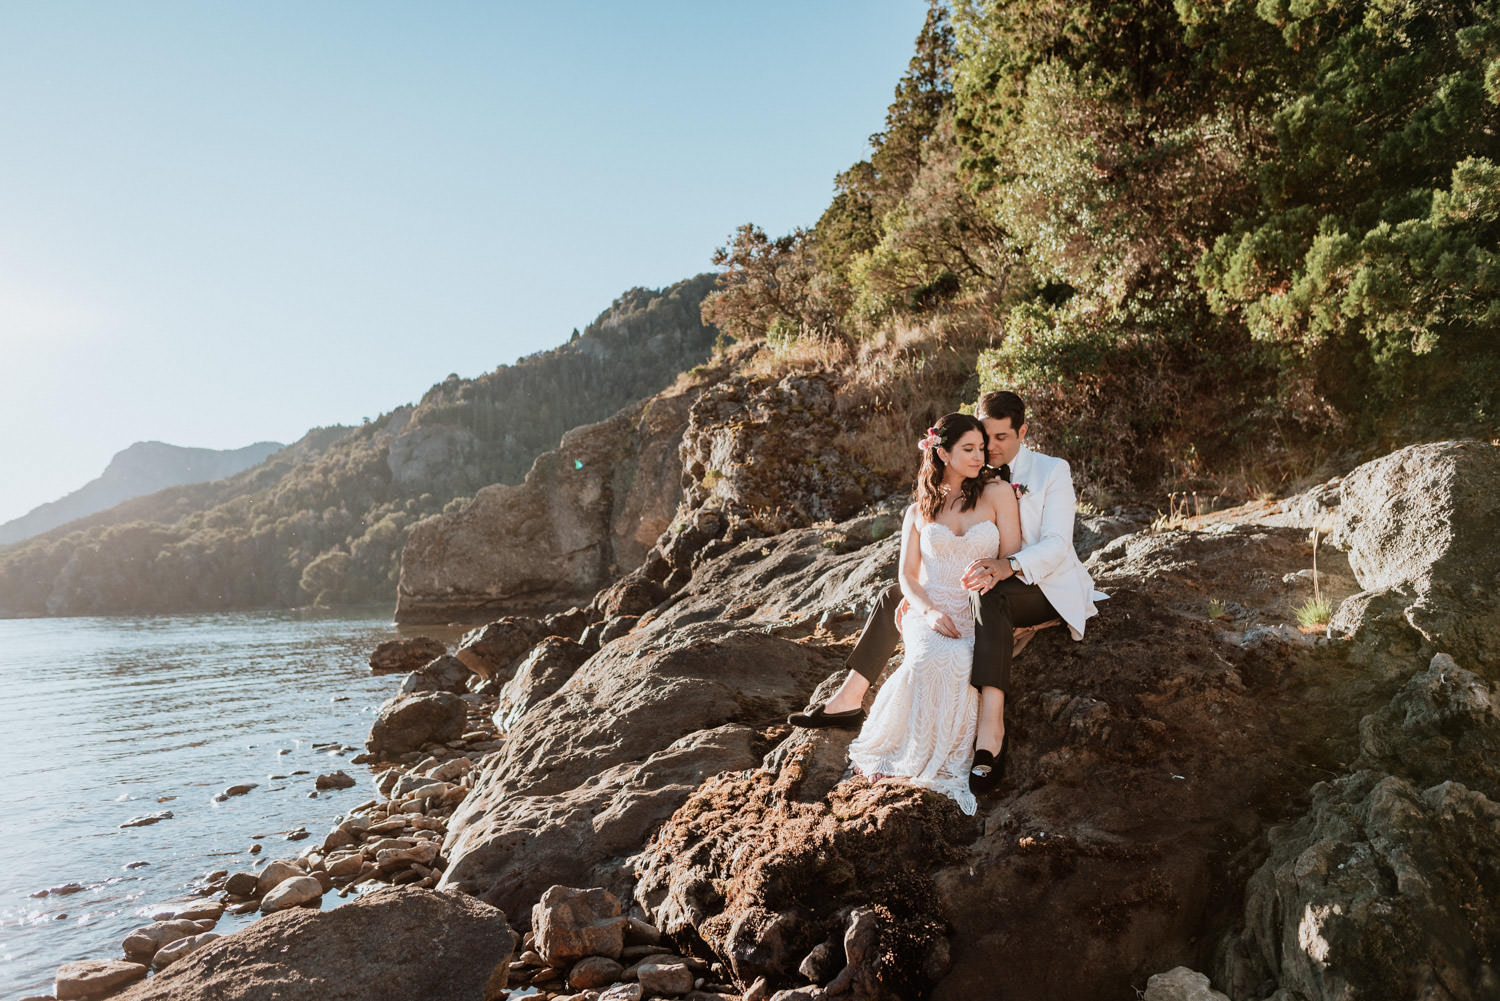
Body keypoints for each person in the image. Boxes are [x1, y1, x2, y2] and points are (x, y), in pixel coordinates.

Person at [790, 391, 1104, 793]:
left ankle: (991, 736)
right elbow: (910, 572)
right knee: (894, 598)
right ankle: (848, 701)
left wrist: (1007, 572)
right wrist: (923, 603)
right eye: (977, 442)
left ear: (1022, 432)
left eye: (997, 440)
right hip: (966, 590)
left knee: (983, 607)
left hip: (1035, 584)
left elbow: (1057, 545)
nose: (987, 451)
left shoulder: (1048, 472)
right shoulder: (940, 497)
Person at [842, 412, 1021, 815]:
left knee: (962, 660)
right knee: (928, 657)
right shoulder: (919, 509)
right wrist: (926, 610)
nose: (980, 457)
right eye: (969, 449)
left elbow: (1011, 555)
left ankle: (964, 755)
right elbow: (906, 576)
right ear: (942, 452)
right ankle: (906, 753)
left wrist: (997, 578)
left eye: (982, 449)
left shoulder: (997, 494)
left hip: (980, 607)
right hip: (932, 607)